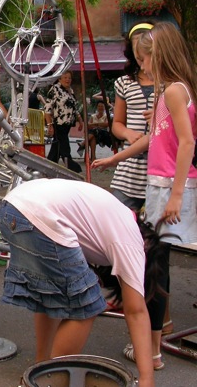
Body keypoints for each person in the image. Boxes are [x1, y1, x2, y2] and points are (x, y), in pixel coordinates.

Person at [93, 21, 197, 371]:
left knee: (153, 265)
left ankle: (151, 352)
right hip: (159, 184)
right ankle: (152, 344)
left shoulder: (172, 91)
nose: (142, 65)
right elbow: (153, 138)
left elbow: (186, 142)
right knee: (154, 263)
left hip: (166, 186)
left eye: (145, 58)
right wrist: (115, 157)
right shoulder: (171, 90)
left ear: (158, 54)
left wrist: (177, 195)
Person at [0, 178, 164, 386]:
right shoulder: (132, 242)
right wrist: (147, 379)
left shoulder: (114, 216)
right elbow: (136, 311)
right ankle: (52, 379)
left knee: (49, 295)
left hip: (13, 206)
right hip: (40, 215)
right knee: (88, 306)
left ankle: (40, 367)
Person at [109, 22, 155, 212]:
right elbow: (117, 124)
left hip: (159, 165)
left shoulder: (170, 83)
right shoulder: (124, 83)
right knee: (119, 216)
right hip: (130, 167)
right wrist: (127, 133)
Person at [44, 70, 83, 173]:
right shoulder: (55, 89)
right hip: (59, 123)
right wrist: (49, 125)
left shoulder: (70, 90)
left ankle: (48, 167)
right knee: (64, 145)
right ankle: (70, 165)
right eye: (65, 77)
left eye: (69, 78)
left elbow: (75, 107)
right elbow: (47, 109)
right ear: (59, 79)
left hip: (68, 123)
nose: (67, 80)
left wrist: (80, 119)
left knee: (56, 147)